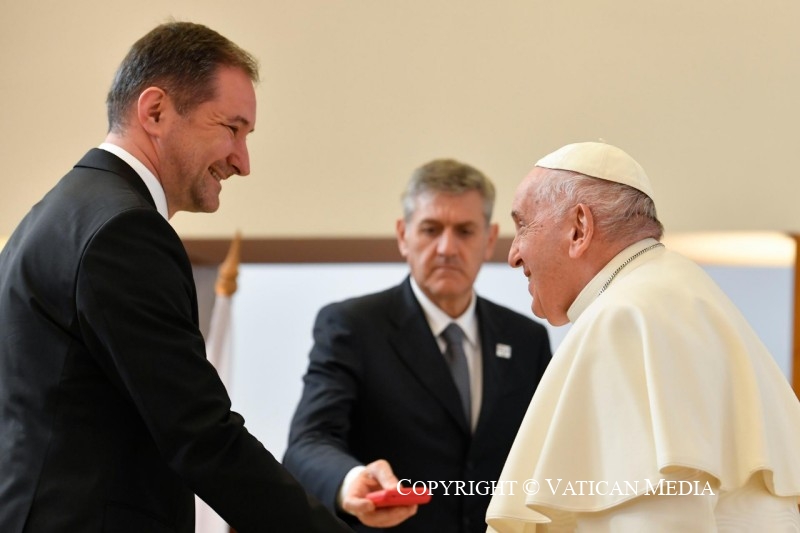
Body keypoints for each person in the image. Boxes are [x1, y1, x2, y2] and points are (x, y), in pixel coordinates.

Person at [0, 22, 349, 533]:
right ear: (156, 112)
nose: (242, 162)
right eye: (231, 129)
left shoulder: (60, 212)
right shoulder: (125, 232)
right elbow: (201, 436)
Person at [486, 141, 800, 532]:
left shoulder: (625, 319)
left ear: (579, 228)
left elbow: (655, 517)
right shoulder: (682, 292)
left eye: (523, 226)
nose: (514, 254)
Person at [283, 158, 553, 533]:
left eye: (465, 231)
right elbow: (308, 442)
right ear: (403, 235)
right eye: (430, 229)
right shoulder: (354, 326)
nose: (447, 248)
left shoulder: (526, 339)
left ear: (490, 240)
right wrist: (353, 480)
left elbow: (545, 453)